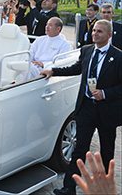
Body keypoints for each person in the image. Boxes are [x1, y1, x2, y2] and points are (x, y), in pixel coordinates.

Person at [41, 20, 122, 195]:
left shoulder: (119, 57)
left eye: (99, 31)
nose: (95, 34)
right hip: (86, 109)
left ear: (109, 35)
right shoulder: (86, 51)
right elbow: (76, 68)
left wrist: (105, 93)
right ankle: (68, 187)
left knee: (107, 151)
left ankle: (105, 188)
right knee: (79, 149)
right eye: (94, 30)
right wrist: (53, 71)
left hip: (107, 111)